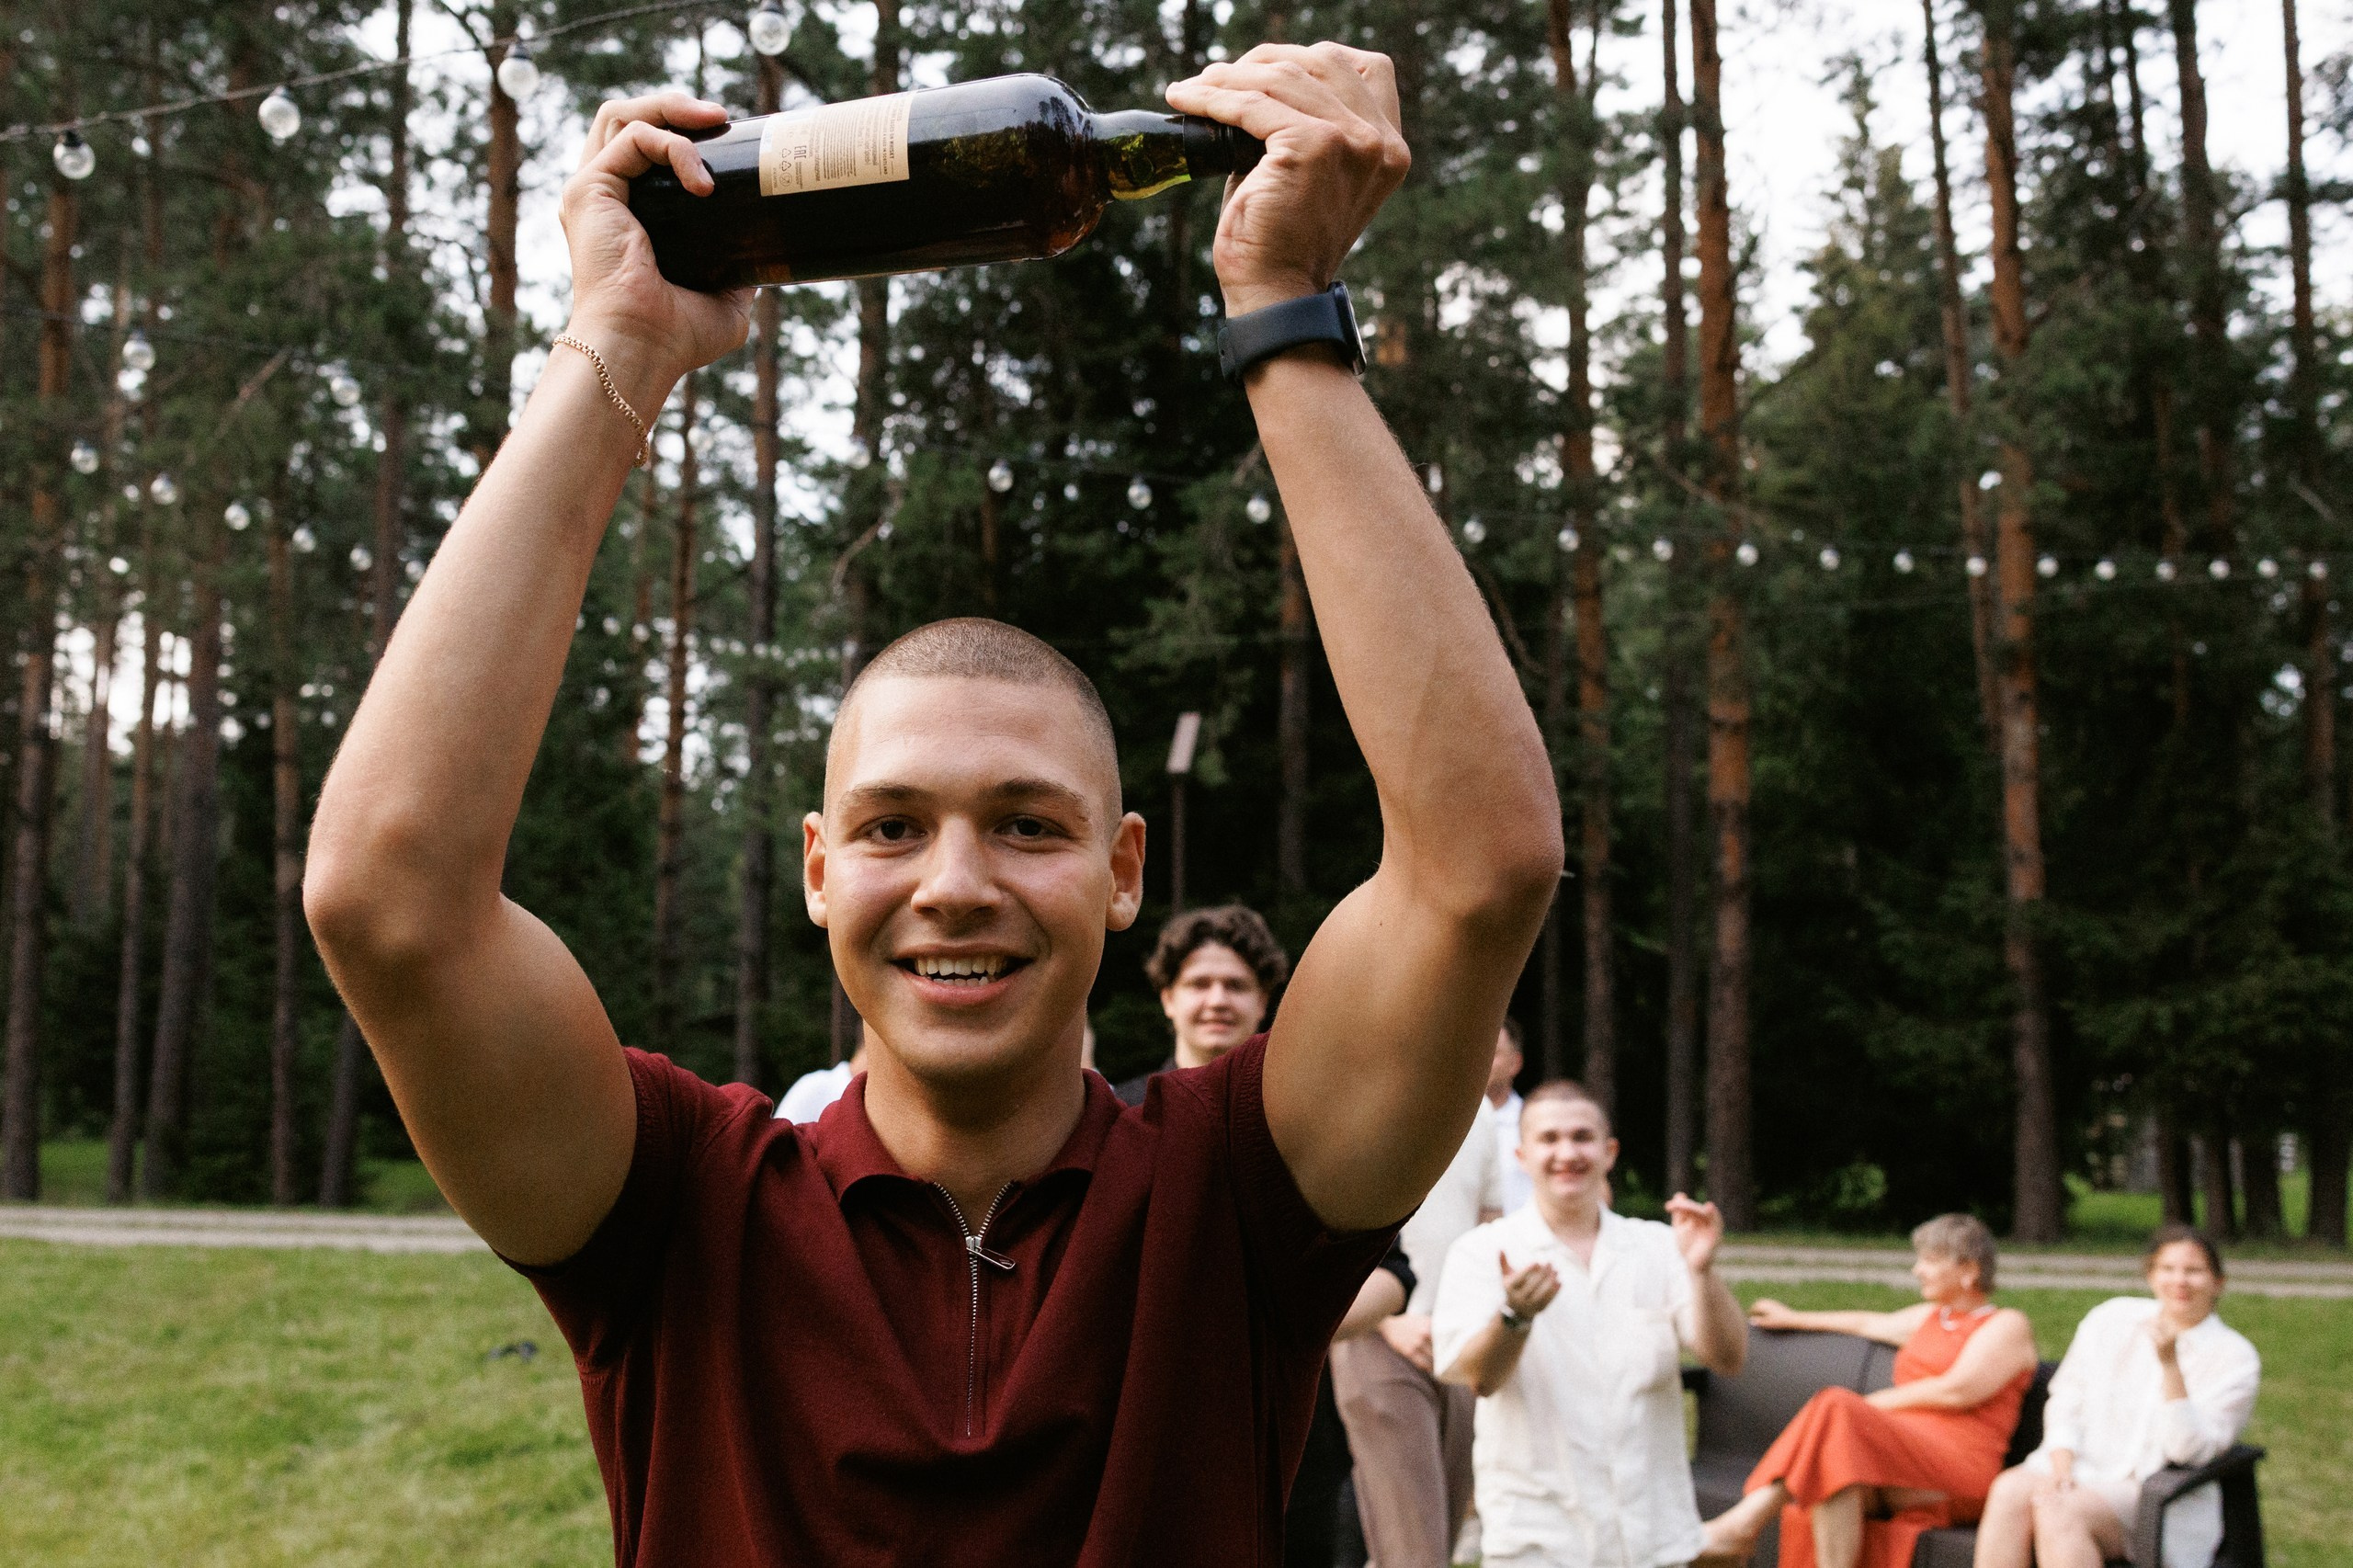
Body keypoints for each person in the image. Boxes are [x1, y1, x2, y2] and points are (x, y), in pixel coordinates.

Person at [300, 40, 1563, 1568]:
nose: (955, 880)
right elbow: (388, 898)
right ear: (822, 869)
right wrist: (618, 346)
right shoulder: (681, 1209)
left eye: (1027, 823)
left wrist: (1283, 310)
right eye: (894, 826)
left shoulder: (1237, 1195)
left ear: (1122, 871)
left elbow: (1480, 869)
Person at [1433, 1082, 1746, 1568]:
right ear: (1520, 1154)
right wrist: (1514, 1318)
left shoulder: (1659, 1246)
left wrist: (1702, 1272)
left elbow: (1726, 1357)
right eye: (1549, 1139)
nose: (1567, 1153)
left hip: (1654, 1532)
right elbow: (1481, 1379)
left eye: (1582, 1137)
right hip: (1540, 1536)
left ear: (1609, 1151)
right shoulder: (1482, 1253)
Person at [1699, 1215, 2039, 1568]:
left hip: (1958, 1472)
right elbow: (1866, 1323)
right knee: (1834, 1473)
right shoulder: (1929, 1317)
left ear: (1969, 1269)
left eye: (1930, 1261)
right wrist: (1795, 1317)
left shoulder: (2007, 1325)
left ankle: (1742, 1524)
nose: (1917, 1270)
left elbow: (1956, 1390)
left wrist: (1866, 1408)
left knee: (1836, 1409)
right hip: (1900, 1465)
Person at [1972, 1226, 2259, 1568]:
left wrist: (2170, 1365)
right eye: (2167, 1269)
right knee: (2009, 1490)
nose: (2179, 1281)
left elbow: (2186, 1450)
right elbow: (2067, 1395)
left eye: (2194, 1271)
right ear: (2151, 1275)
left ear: (2218, 1282)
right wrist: (2061, 1464)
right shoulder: (2112, 1318)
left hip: (2156, 1493)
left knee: (2059, 1510)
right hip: (2081, 1467)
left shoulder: (2234, 1356)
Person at [1328, 1048, 1500, 1565]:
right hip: (1379, 1340)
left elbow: (1488, 1225)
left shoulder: (1482, 1109)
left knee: (1436, 1544)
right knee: (1411, 1552)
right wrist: (1388, 1321)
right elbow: (1331, 1231)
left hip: (1459, 1345)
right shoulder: (1355, 1096)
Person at [1116, 904, 1290, 1106]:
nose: (1218, 1001)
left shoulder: (1294, 1115)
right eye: (1199, 984)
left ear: (1262, 1002)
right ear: (1168, 999)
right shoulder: (1123, 1112)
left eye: (1236, 986)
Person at [1485, 1020, 1530, 1214]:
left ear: (1515, 1063)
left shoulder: (1535, 1126)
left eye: (1492, 1052)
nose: (1481, 1059)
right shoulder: (1442, 1127)